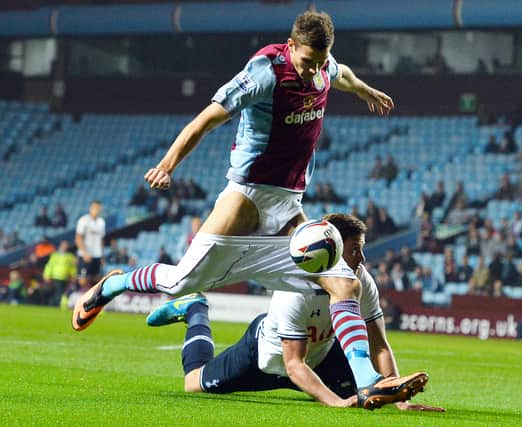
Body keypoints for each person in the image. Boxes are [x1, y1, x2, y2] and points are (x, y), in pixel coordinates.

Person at [71, 11, 423, 410]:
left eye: (320, 63)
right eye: (307, 63)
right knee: (177, 282)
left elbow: (343, 76)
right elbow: (207, 119)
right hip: (247, 199)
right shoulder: (265, 72)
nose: (313, 73)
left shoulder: (324, 67)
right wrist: (167, 166)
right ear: (291, 48)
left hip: (289, 207)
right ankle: (112, 285)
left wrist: (364, 91)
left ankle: (368, 382)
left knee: (343, 282)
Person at [146, 213, 439, 411]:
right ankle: (196, 310)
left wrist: (399, 401)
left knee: (367, 396)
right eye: (354, 250)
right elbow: (293, 364)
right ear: (332, 249)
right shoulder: (295, 288)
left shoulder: (361, 280)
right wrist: (333, 402)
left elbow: (379, 345)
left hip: (320, 357)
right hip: (266, 359)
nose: (361, 259)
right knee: (192, 383)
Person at [75, 200, 106, 287]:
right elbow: (78, 238)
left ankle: (92, 300)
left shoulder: (101, 222)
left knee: (96, 281)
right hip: (85, 255)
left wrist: (102, 255)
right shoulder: (84, 220)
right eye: (95, 208)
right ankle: (74, 296)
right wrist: (84, 253)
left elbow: (101, 240)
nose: (97, 210)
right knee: (82, 280)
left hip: (97, 255)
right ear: (91, 208)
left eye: (99, 208)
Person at [42, 240, 77, 306]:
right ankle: (54, 305)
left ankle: (54, 305)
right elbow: (49, 265)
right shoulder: (55, 255)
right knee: (58, 292)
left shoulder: (70, 256)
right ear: (61, 246)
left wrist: (73, 275)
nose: (65, 246)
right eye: (64, 245)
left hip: (64, 277)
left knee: (60, 293)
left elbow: (72, 267)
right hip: (55, 277)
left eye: (66, 245)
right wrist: (46, 275)